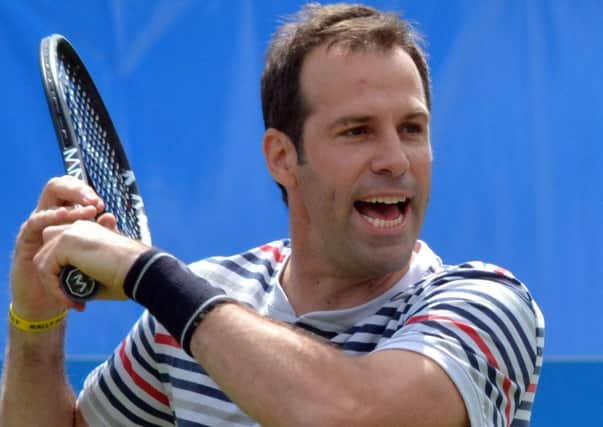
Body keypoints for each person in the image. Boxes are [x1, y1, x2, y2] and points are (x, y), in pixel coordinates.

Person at [0, 3, 544, 426]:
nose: (395, 160)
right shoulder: (193, 303)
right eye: (357, 131)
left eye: (412, 129)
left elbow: (356, 418)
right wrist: (35, 323)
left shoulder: (488, 306)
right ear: (282, 157)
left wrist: (149, 275)